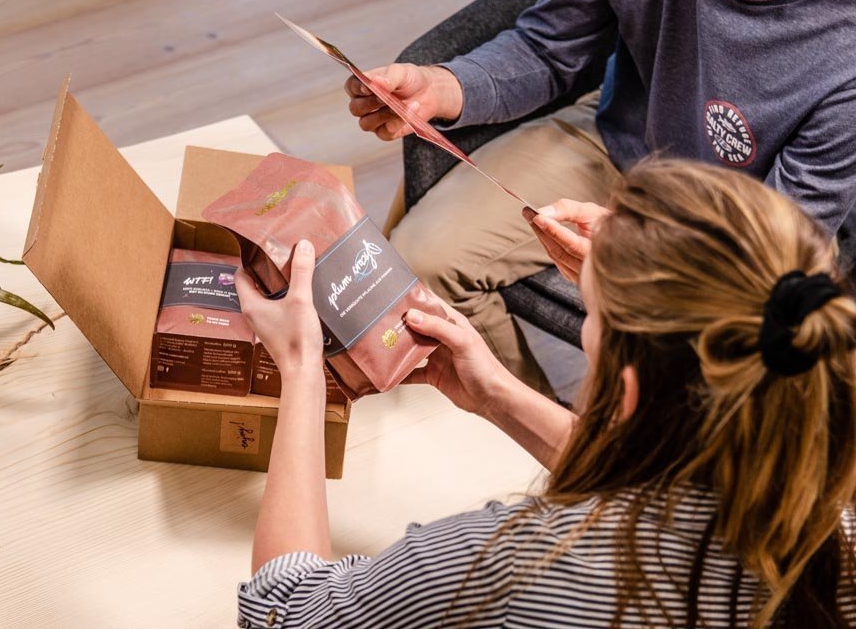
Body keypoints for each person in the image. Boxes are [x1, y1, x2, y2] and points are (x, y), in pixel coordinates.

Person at [235, 160, 856, 628]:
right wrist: (496, 395)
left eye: (593, 319)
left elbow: (281, 609)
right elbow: (666, 479)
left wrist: (302, 368)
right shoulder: (822, 501)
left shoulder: (513, 564)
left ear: (628, 395)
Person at [345, 0, 856, 394]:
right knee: (423, 260)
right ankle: (550, 437)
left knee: (720, 368)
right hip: (625, 141)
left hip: (748, 231)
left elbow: (773, 246)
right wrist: (441, 87)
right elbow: (549, 46)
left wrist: (639, 253)